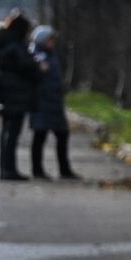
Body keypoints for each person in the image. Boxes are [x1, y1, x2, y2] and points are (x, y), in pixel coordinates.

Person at [0, 10, 41, 181]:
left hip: (5, 92)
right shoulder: (15, 48)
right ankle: (9, 169)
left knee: (7, 132)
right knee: (12, 133)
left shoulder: (2, 45)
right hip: (16, 94)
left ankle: (6, 167)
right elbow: (28, 68)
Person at [28, 26, 79, 180]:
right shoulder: (36, 55)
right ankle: (37, 169)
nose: (53, 43)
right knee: (40, 136)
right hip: (42, 101)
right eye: (50, 40)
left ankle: (64, 169)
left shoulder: (50, 55)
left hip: (54, 102)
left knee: (62, 135)